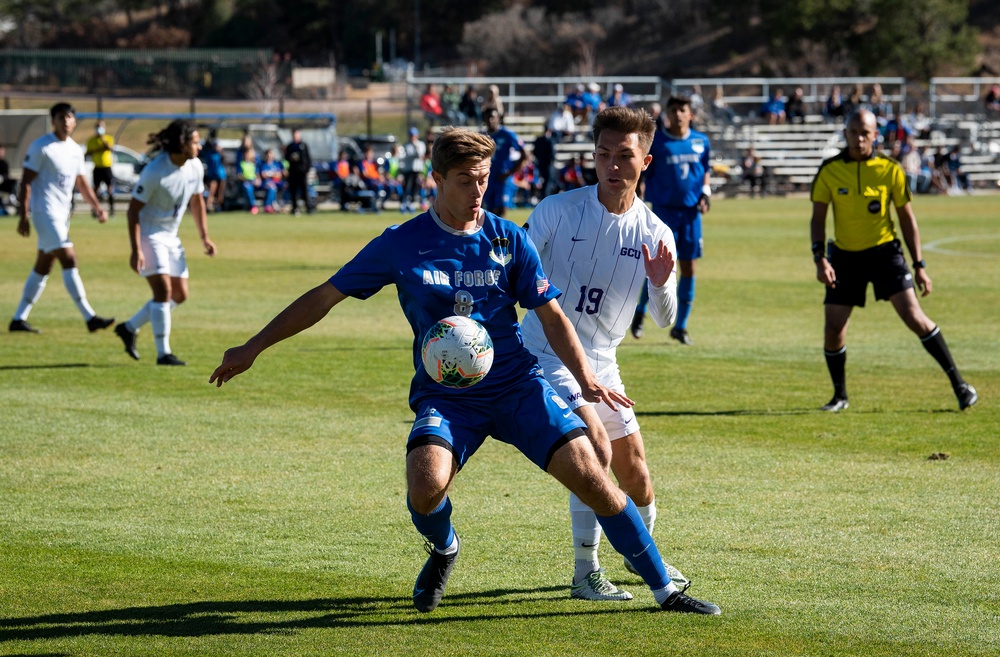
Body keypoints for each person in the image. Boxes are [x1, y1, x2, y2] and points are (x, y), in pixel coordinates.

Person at [209, 126, 721, 617]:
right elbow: (325, 297)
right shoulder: (401, 243)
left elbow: (551, 315)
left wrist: (585, 377)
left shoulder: (506, 238)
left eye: (484, 179)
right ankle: (444, 546)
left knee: (593, 475)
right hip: (448, 398)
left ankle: (664, 589)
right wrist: (253, 346)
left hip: (519, 387)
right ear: (436, 178)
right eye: (465, 181)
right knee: (425, 486)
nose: (478, 191)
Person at [522, 106, 692, 602]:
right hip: (546, 349)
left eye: (624, 155)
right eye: (603, 154)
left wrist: (661, 284)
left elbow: (664, 318)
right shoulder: (557, 210)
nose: (612, 165)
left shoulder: (656, 234)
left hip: (604, 358)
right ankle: (586, 572)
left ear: (646, 160)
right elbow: (516, 268)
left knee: (636, 471)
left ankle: (645, 558)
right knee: (593, 451)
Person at [810, 109, 977, 412]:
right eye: (853, 132)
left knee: (915, 317)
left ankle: (961, 386)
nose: (858, 138)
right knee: (833, 329)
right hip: (845, 257)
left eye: (865, 133)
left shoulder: (891, 169)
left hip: (885, 253)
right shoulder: (830, 170)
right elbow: (818, 217)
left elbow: (907, 219)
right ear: (844, 134)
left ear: (876, 135)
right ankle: (840, 396)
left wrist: (920, 265)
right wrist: (820, 258)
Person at [115, 119, 217, 366]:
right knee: (162, 292)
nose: (199, 146)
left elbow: (197, 202)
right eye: (195, 141)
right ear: (182, 144)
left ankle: (129, 328)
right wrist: (136, 249)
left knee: (180, 295)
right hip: (149, 234)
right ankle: (163, 353)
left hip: (171, 236)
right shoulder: (154, 171)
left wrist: (204, 236)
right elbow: (133, 211)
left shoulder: (195, 167)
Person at [10, 102, 114, 335]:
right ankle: (90, 317)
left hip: (61, 215)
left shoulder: (75, 150)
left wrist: (97, 207)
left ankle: (18, 319)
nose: (66, 121)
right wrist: (23, 214)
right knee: (69, 257)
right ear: (53, 121)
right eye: (61, 117)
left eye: (69, 117)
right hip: (44, 213)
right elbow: (26, 182)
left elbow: (82, 183)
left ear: (74, 121)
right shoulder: (41, 147)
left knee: (43, 266)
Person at [631, 95, 711, 344]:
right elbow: (643, 174)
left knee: (689, 267)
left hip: (690, 215)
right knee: (656, 266)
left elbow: (705, 170)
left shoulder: (701, 141)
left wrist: (706, 192)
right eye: (673, 109)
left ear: (691, 114)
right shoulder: (658, 143)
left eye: (682, 109)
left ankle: (681, 327)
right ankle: (640, 313)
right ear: (666, 114)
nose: (677, 114)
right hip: (662, 214)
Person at [482, 108, 525, 218]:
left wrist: (510, 172)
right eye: (488, 117)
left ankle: (501, 235)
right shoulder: (483, 136)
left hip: (503, 179)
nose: (490, 120)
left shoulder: (507, 134)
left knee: (501, 211)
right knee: (489, 212)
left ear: (498, 119)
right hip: (488, 179)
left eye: (493, 117)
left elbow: (525, 153)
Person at [85, 119, 115, 217]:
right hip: (97, 167)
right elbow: (88, 153)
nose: (99, 129)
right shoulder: (91, 141)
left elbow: (110, 148)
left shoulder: (109, 138)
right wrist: (98, 149)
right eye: (98, 127)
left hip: (107, 167)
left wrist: (103, 141)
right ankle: (95, 209)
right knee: (95, 190)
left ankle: (111, 209)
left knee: (110, 189)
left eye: (101, 127)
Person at [284, 129, 314, 216]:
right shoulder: (290, 147)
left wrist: (307, 170)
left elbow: (308, 159)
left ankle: (309, 208)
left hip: (302, 172)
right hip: (293, 172)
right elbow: (286, 158)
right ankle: (294, 208)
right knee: (293, 191)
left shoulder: (304, 146)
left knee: (304, 190)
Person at [399, 127, 427, 214]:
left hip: (417, 169)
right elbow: (403, 156)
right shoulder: (405, 145)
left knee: (415, 187)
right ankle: (404, 203)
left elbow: (420, 155)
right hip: (408, 169)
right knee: (407, 187)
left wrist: (415, 147)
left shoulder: (421, 144)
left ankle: (411, 203)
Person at [200, 132, 227, 213]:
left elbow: (224, 162)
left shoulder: (220, 154)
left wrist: (221, 152)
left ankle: (219, 206)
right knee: (211, 191)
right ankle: (208, 206)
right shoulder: (209, 153)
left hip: (221, 175)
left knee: (220, 192)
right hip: (212, 175)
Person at [258, 148, 286, 213]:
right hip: (267, 183)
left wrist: (270, 174)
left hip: (277, 182)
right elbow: (263, 175)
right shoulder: (263, 164)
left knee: (286, 185)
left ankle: (284, 203)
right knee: (272, 187)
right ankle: (268, 206)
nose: (270, 156)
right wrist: (273, 174)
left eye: (271, 154)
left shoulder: (276, 164)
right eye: (268, 155)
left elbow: (279, 175)